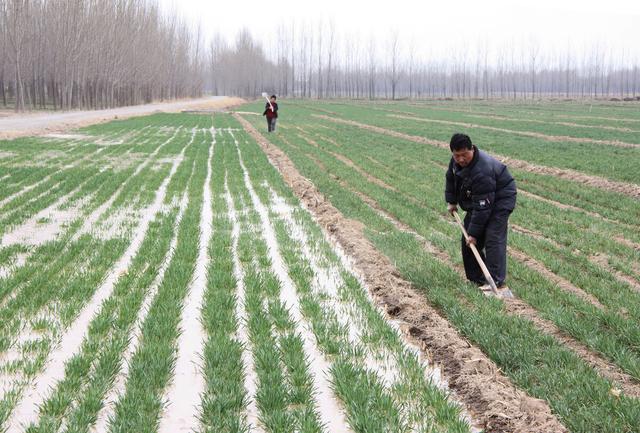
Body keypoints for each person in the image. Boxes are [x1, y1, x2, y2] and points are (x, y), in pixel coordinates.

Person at [445, 133, 517, 292]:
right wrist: (452, 201)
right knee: (467, 241)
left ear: (472, 149)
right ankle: (477, 278)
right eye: (457, 156)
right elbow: (451, 179)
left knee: (492, 236)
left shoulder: (482, 169)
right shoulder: (455, 162)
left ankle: (496, 282)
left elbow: (483, 208)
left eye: (465, 155)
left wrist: (474, 234)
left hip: (500, 198)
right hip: (480, 200)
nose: (461, 159)